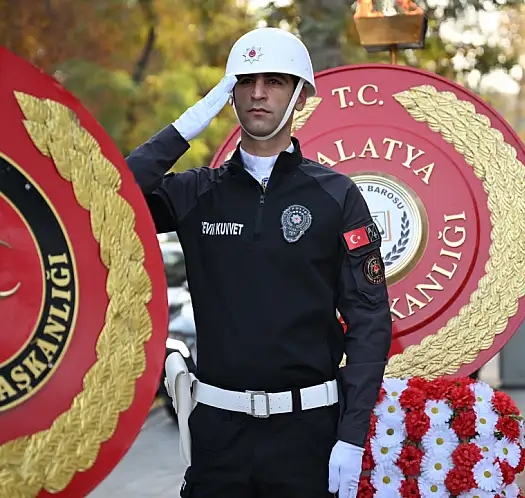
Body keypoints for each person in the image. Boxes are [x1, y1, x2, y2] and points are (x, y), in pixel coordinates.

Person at [125, 27, 392, 498]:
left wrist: (352, 437)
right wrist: (185, 128)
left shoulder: (336, 196)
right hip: (218, 439)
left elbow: (369, 320)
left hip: (309, 436)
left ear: (300, 96)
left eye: (274, 81)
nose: (258, 93)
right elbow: (113, 196)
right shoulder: (195, 193)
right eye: (245, 81)